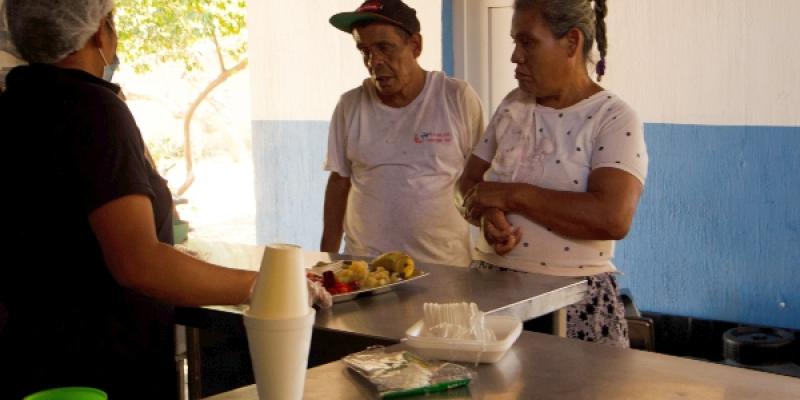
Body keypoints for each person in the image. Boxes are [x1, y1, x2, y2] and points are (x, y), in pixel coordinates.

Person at [0, 1, 329, 398]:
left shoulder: (15, 103)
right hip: (102, 364)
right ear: (99, 30)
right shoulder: (93, 110)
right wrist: (265, 285)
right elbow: (138, 263)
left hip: (32, 355)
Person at [458, 0, 648, 348]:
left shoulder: (612, 118)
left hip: (573, 305)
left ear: (572, 42)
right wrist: (487, 215)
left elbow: (612, 218)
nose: (515, 56)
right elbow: (468, 185)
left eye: (527, 42)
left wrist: (512, 195)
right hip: (492, 299)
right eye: (514, 42)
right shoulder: (513, 105)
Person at [321, 0, 484, 267]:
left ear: (415, 46)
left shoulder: (456, 98)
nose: (374, 61)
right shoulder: (350, 106)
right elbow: (339, 183)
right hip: (367, 269)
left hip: (444, 269)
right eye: (364, 50)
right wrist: (327, 260)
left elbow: (481, 179)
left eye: (384, 47)